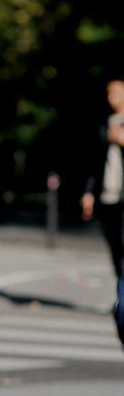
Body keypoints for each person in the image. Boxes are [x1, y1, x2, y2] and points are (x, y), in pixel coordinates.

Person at [80, 78, 124, 280]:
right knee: (115, 248)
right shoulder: (104, 124)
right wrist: (89, 192)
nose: (111, 97)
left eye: (115, 92)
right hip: (107, 195)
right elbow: (94, 162)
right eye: (109, 93)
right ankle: (121, 296)